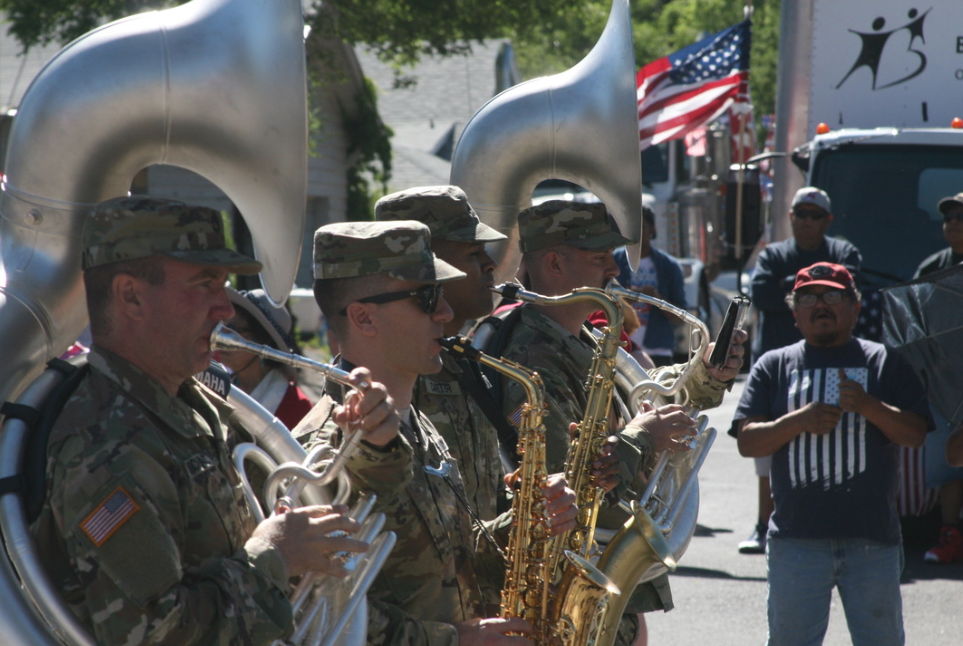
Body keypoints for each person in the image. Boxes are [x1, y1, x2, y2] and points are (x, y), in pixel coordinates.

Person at [31, 197, 399, 645]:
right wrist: (276, 554)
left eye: (223, 285)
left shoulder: (193, 402)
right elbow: (155, 634)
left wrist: (359, 446)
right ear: (131, 296)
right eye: (205, 284)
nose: (225, 308)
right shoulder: (105, 450)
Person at [300, 220, 578, 646]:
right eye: (427, 298)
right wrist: (455, 641)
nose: (446, 313)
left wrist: (525, 523)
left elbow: (452, 561)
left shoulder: (421, 424)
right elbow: (319, 617)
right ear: (363, 317)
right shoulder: (322, 453)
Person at [490, 200, 746, 646]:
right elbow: (558, 483)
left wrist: (706, 371)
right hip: (563, 587)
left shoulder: (584, 335)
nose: (616, 267)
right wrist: (641, 438)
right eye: (599, 256)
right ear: (554, 263)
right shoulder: (530, 357)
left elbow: (644, 391)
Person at [734, 262, 928, 646]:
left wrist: (870, 407)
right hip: (795, 541)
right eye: (808, 298)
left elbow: (916, 435)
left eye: (833, 296)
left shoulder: (885, 362)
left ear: (855, 307)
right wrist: (798, 421)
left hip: (872, 542)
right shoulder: (773, 365)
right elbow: (747, 442)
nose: (820, 305)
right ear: (795, 313)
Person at [741, 186, 862, 555]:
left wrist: (791, 287)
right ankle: (765, 524)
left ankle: (843, 524)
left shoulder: (843, 251)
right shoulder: (773, 253)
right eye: (801, 214)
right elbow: (760, 294)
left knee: (839, 446)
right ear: (790, 217)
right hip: (783, 368)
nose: (807, 221)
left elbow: (855, 286)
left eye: (815, 215)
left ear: (827, 220)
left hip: (838, 364)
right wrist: (819, 291)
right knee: (769, 449)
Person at [911, 190, 963, 563]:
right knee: (948, 463)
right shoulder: (932, 268)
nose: (955, 225)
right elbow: (910, 322)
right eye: (950, 219)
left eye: (962, 218)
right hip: (945, 386)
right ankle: (950, 536)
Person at [216, 287, 313, 429]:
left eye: (233, 328)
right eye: (221, 325)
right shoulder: (218, 387)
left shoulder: (297, 406)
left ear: (262, 342)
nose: (222, 335)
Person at [614, 205, 687, 367]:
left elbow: (680, 317)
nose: (635, 233)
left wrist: (656, 298)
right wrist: (630, 298)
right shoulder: (612, 262)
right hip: (619, 348)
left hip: (658, 351)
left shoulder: (670, 266)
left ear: (652, 230)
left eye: (641, 227)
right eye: (630, 228)